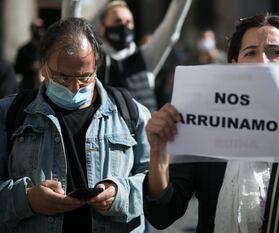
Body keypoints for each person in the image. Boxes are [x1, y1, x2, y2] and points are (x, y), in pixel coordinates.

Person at [143, 13, 279, 233]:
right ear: (235, 65)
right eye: (251, 52)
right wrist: (159, 155)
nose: (262, 61)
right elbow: (162, 215)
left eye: (275, 52)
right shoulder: (206, 124)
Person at [0, 17, 150, 233]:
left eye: (84, 78)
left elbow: (157, 187)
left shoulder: (132, 113)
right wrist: (27, 200)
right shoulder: (8, 114)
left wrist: (121, 194)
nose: (73, 87)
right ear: (43, 67)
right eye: (62, 77)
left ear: (96, 68)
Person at [97, 0, 191, 112]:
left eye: (129, 22)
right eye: (118, 21)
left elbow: (170, 29)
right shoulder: (93, 62)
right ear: (102, 28)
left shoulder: (146, 57)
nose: (124, 26)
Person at [14, 18, 45, 90]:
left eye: (41, 27)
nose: (39, 30)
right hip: (28, 86)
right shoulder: (24, 49)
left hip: (44, 87)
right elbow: (17, 69)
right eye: (37, 28)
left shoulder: (48, 48)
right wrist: (30, 66)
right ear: (32, 29)